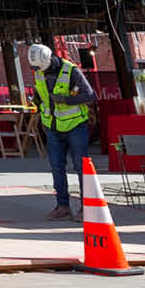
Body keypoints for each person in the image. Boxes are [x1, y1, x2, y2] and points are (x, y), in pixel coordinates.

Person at [25, 42, 96, 221]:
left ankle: (87, 207)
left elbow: (89, 95)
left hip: (75, 126)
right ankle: (62, 206)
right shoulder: (39, 72)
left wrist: (65, 100)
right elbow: (40, 96)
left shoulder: (70, 71)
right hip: (53, 127)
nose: (40, 71)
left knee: (82, 168)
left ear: (49, 58)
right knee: (57, 168)